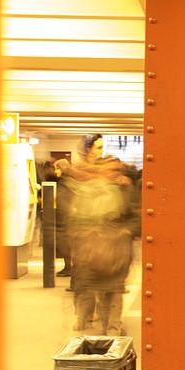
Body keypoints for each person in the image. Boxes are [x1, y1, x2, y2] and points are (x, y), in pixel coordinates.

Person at [55, 133, 138, 335]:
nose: (100, 152)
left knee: (95, 286)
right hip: (107, 247)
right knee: (109, 289)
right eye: (98, 147)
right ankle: (108, 326)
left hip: (92, 246)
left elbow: (69, 215)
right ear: (88, 149)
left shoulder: (83, 181)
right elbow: (130, 214)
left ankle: (90, 321)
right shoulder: (112, 185)